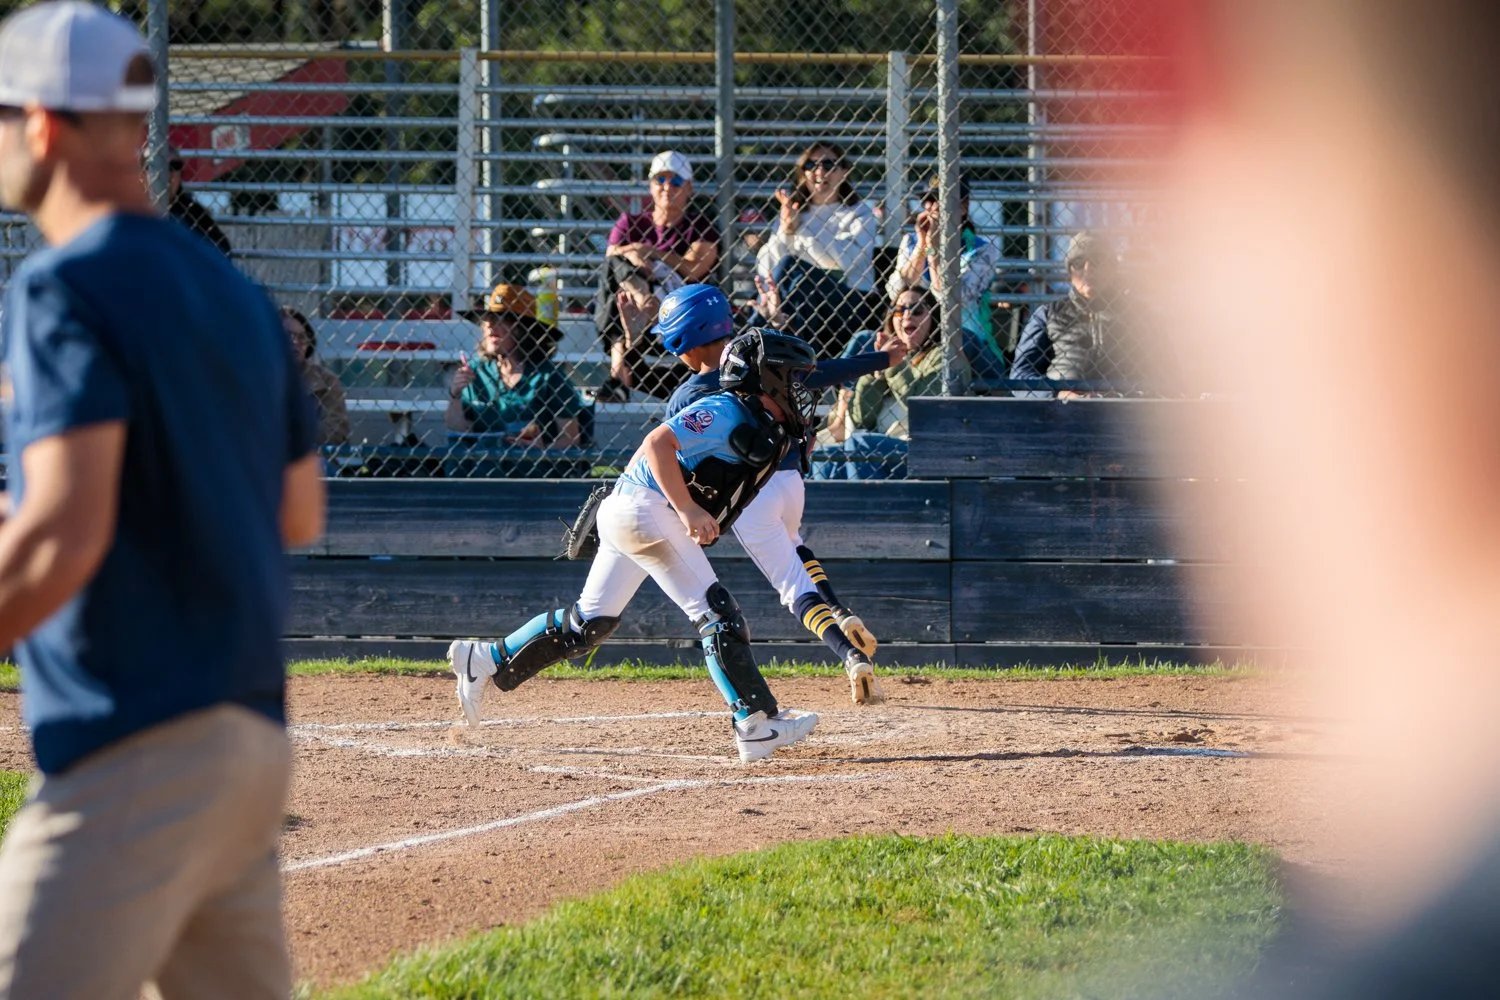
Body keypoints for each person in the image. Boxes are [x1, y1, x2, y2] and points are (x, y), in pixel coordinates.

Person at [0, 5, 326, 999]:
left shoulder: (63, 286)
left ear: (45, 126)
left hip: (134, 744)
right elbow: (298, 512)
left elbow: (62, 530)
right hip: (245, 745)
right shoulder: (232, 293)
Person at [448, 328, 823, 762]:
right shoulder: (726, 408)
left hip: (635, 510)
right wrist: (686, 510)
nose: (798, 390)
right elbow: (657, 443)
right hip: (646, 509)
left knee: (588, 622)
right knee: (716, 614)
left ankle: (484, 659)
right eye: (791, 379)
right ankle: (756, 723)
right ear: (766, 378)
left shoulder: (763, 423)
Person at [656, 284, 906, 704]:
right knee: (794, 544)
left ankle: (849, 657)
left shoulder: (687, 393)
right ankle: (841, 612)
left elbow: (676, 453)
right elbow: (823, 371)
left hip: (752, 495)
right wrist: (884, 358)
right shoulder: (761, 360)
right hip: (791, 481)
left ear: (684, 339)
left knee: (791, 585)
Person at [591, 150, 720, 402]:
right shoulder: (631, 221)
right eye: (660, 180)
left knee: (619, 266)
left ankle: (619, 372)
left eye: (676, 181)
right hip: (632, 302)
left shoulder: (700, 225)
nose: (667, 187)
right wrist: (636, 264)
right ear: (651, 185)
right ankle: (637, 313)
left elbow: (695, 267)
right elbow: (611, 257)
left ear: (689, 187)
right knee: (613, 268)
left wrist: (649, 252)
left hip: (676, 308)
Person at [815, 289, 968, 480]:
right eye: (899, 310)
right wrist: (877, 372)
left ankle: (867, 509)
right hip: (879, 442)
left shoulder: (944, 355)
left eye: (917, 309)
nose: (907, 315)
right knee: (823, 458)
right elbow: (862, 418)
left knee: (861, 445)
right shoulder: (886, 354)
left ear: (934, 317)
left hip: (920, 448)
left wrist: (894, 365)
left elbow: (924, 408)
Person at [753, 142, 881, 356]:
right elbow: (766, 266)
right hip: (800, 304)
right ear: (803, 172)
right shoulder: (793, 213)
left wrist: (800, 230)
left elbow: (842, 262)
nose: (820, 171)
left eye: (829, 164)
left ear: (844, 171)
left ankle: (753, 337)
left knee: (791, 268)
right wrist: (786, 230)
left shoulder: (860, 213)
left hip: (850, 302)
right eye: (812, 165)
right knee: (781, 280)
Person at [886, 174, 1005, 384]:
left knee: (962, 339)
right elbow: (896, 291)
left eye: (942, 200)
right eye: (929, 200)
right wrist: (923, 245)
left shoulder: (982, 250)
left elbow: (952, 300)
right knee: (863, 340)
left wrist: (934, 251)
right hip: (914, 336)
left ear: (962, 208)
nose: (934, 207)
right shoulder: (911, 242)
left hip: (966, 341)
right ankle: (840, 408)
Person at [447, 282, 585, 448]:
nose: (490, 326)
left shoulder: (548, 375)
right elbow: (460, 431)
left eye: (501, 319)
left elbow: (571, 438)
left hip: (530, 468)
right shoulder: (476, 370)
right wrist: (455, 394)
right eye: (488, 319)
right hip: (483, 465)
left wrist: (542, 448)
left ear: (523, 329)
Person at [1009, 231, 1142, 398]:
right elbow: (1020, 375)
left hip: (1125, 414)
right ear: (1070, 271)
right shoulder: (1048, 314)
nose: (1088, 269)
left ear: (1111, 268)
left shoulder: (1138, 317)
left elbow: (1167, 375)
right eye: (1078, 263)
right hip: (1062, 414)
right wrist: (1058, 395)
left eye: (1097, 261)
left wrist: (1131, 398)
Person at [282, 306, 350, 446]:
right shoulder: (255, 378)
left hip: (312, 458)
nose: (296, 343)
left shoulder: (326, 380)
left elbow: (337, 430)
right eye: (288, 336)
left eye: (302, 337)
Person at [163, 144, 231, 257]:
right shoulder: (129, 211)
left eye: (174, 166)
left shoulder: (194, 214)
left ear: (181, 174)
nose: (166, 174)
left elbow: (222, 251)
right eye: (154, 166)